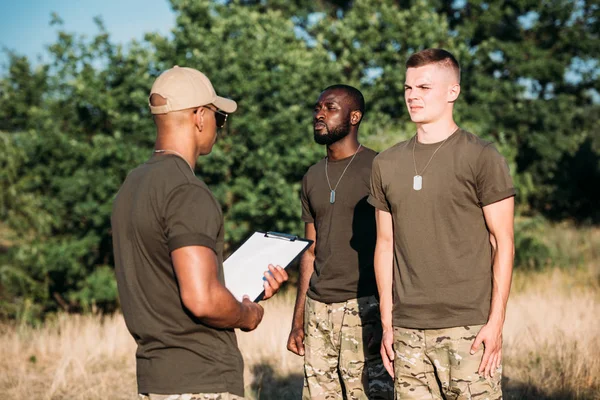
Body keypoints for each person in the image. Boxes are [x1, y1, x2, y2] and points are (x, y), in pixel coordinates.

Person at [111, 66, 288, 400]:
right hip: (201, 381)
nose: (219, 128)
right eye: (219, 118)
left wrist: (242, 288)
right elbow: (201, 299)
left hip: (156, 378)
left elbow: (167, 280)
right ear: (199, 117)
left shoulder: (131, 185)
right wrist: (248, 314)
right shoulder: (187, 191)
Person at [368, 48, 515, 399]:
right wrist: (388, 324)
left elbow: (503, 243)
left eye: (423, 87)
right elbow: (385, 245)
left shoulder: (481, 156)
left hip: (469, 329)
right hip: (407, 330)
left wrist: (495, 323)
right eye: (408, 88)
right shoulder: (386, 164)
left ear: (453, 92)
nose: (412, 96)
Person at [287, 84, 393, 400]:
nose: (319, 114)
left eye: (330, 108)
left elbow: (396, 246)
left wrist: (389, 318)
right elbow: (310, 250)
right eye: (318, 107)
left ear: (354, 116)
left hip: (365, 307)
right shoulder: (312, 176)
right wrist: (298, 319)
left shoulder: (380, 167)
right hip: (318, 310)